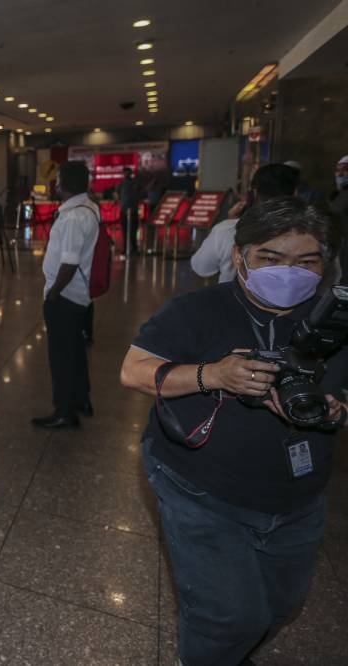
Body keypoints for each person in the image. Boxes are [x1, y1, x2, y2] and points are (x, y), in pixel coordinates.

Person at [120, 196, 345, 666]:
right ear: (240, 255)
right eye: (271, 257)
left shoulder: (335, 322)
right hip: (200, 489)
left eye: (307, 261)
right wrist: (215, 375)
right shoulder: (200, 310)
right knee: (227, 617)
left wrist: (335, 410)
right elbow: (135, 371)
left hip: (299, 496)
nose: (290, 272)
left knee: (282, 607)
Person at [31, 160, 99, 429]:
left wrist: (54, 293)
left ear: (65, 183)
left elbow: (69, 263)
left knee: (61, 355)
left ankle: (64, 411)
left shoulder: (72, 217)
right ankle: (81, 399)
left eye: (58, 179)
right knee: (75, 351)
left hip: (67, 296)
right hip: (81, 295)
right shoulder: (89, 208)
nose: (55, 184)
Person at [191, 163, 299, 283]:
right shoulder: (308, 233)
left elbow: (201, 267)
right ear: (295, 193)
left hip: (233, 300)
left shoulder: (227, 229)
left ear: (255, 193)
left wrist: (231, 222)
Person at [117, 167, 141, 254]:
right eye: (124, 173)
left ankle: (134, 247)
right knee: (125, 231)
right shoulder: (121, 184)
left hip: (133, 210)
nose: (125, 175)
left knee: (133, 230)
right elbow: (119, 195)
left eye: (127, 173)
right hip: (124, 210)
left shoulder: (135, 184)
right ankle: (126, 248)